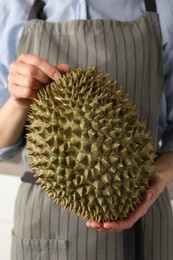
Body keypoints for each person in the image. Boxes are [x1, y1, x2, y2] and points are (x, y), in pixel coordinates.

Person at [0, 0, 173, 259]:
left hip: (143, 217)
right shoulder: (16, 7)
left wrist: (156, 182)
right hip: (42, 228)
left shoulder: (163, 7)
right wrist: (18, 101)